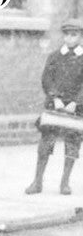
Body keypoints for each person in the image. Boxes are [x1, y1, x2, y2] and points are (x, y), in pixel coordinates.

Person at [25, 18, 83, 195]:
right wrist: (55, 98)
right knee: (45, 144)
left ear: (80, 37)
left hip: (76, 108)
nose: (70, 39)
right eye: (67, 35)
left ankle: (64, 183)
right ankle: (37, 181)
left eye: (74, 35)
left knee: (72, 145)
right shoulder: (55, 56)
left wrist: (76, 102)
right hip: (53, 107)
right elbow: (47, 79)